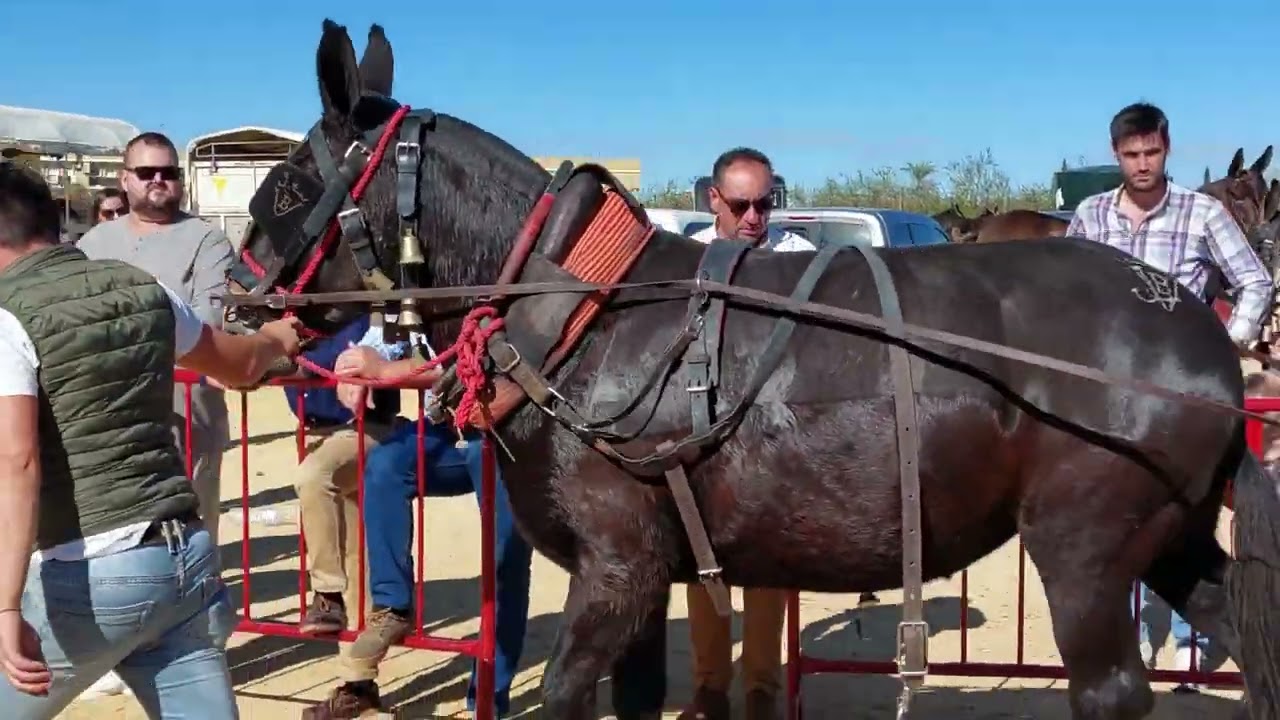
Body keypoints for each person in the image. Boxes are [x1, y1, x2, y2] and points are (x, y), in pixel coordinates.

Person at [0, 163, 303, 718]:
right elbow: (238, 364)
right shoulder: (144, 288)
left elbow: (17, 463)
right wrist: (278, 336)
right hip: (183, 560)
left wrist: (3, 608)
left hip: (88, 568)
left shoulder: (5, 315)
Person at [1065, 101, 1275, 690]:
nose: (1142, 165)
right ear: (1115, 155)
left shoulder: (1202, 213)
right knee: (1113, 520)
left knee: (1182, 521)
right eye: (1131, 155)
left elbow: (1254, 281)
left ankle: (1188, 647)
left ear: (1167, 147)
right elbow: (1062, 293)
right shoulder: (1089, 215)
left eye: (1151, 152)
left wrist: (1225, 347)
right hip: (1102, 398)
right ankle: (1127, 639)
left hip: (1180, 403)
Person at [75, 130, 235, 701]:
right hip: (104, 423)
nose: (158, 181)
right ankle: (117, 654)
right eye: (145, 173)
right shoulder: (94, 242)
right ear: (124, 179)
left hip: (185, 419)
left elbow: (208, 329)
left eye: (167, 171)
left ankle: (200, 661)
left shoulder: (208, 242)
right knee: (113, 543)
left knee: (195, 545)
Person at [302, 327, 533, 718]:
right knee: (386, 465)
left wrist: (390, 370)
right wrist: (354, 366)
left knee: (504, 559)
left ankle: (488, 705)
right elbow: (382, 336)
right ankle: (393, 607)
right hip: (448, 425)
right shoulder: (416, 279)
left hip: (505, 425)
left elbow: (483, 362)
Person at [684, 147, 813, 720]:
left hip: (778, 436)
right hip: (704, 433)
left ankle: (761, 692)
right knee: (702, 564)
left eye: (765, 203)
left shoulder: (800, 260)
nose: (755, 216)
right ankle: (710, 690)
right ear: (714, 200)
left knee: (768, 568)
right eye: (742, 205)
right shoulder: (685, 259)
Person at [286, 315, 407, 636]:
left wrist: (273, 359)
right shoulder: (285, 320)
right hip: (318, 432)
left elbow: (379, 345)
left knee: (314, 476)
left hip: (367, 428)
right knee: (357, 551)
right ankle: (358, 675)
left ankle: (326, 594)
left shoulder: (363, 313)